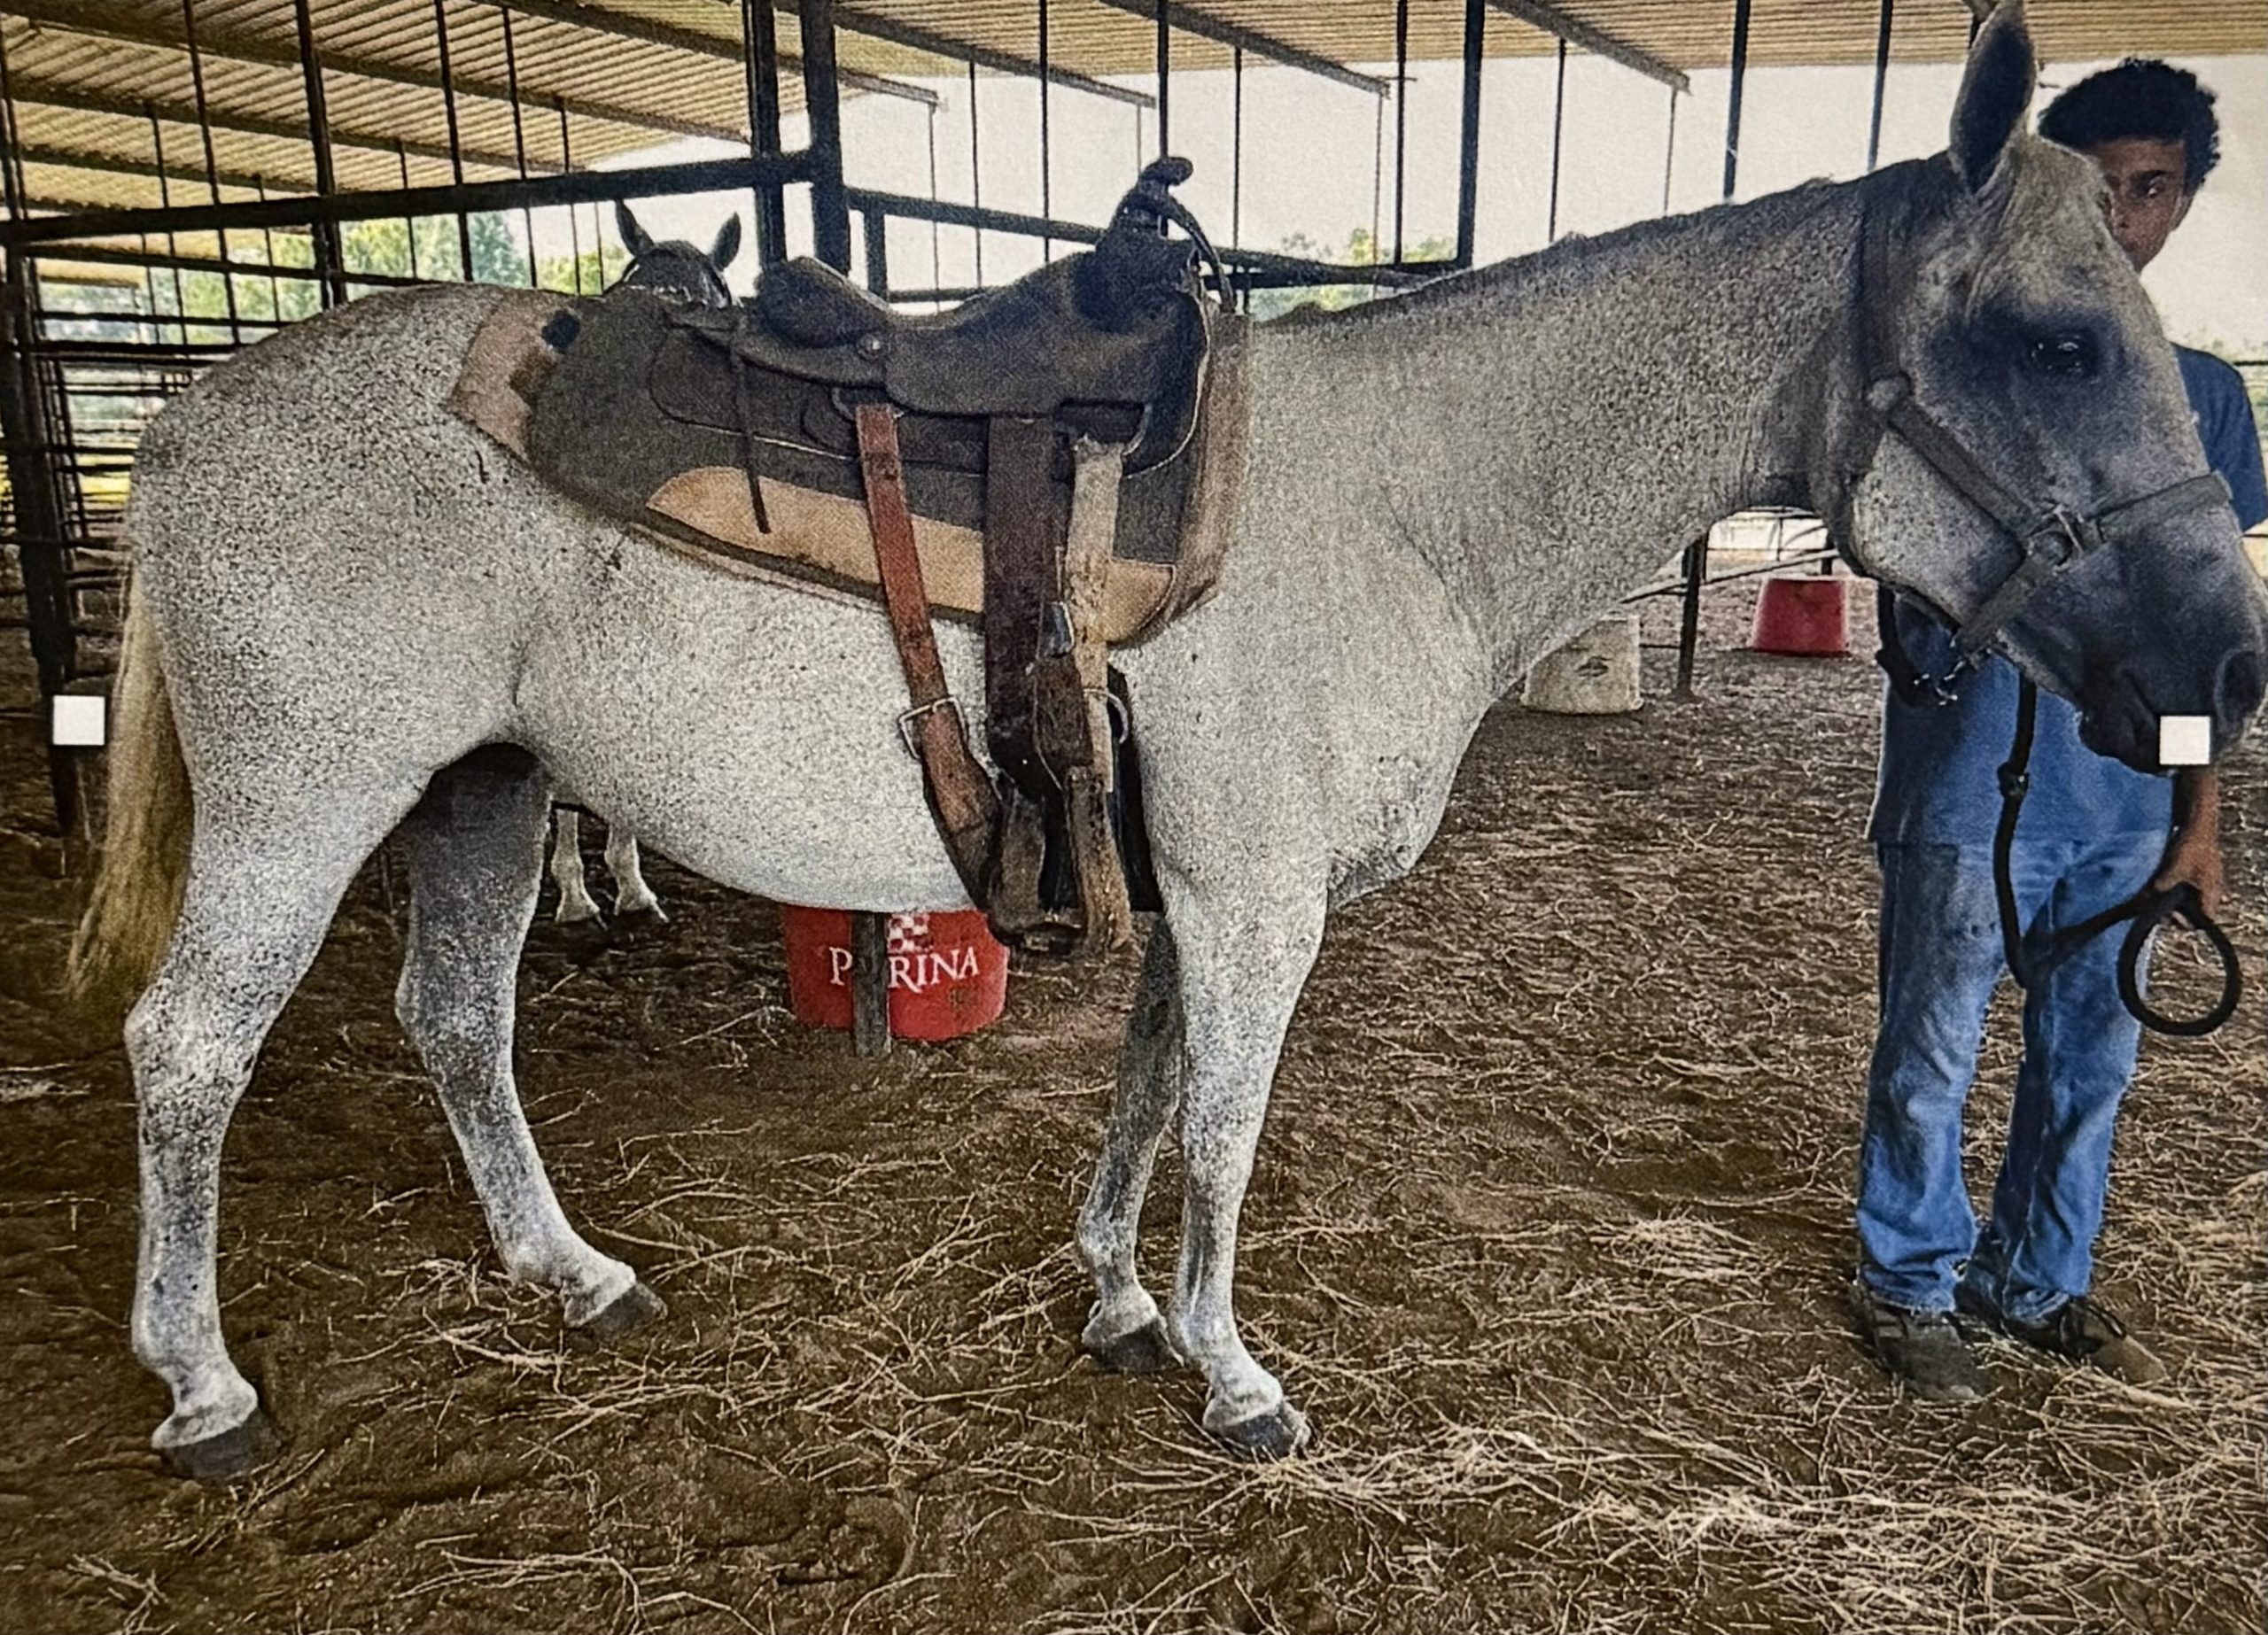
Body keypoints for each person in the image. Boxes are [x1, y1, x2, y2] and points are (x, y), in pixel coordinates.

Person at [1851, 58, 2268, 1402]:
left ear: (2187, 202)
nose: (2123, 216)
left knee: (2092, 1059)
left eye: (2151, 190)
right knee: (1932, 1052)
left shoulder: (2206, 401)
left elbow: (2200, 628)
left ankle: (2035, 1281)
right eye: (2095, 189)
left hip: (2118, 802)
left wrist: (2198, 824)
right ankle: (1910, 1281)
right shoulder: (1972, 369)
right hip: (1969, 779)